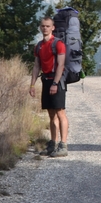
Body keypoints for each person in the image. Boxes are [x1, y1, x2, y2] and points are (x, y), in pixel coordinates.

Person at [30, 17, 68, 157]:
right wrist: (32, 84)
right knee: (51, 114)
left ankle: (63, 145)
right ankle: (53, 143)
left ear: (53, 28)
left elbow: (61, 65)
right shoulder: (39, 46)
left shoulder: (58, 44)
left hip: (56, 81)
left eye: (47, 26)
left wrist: (55, 83)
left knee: (60, 113)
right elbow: (36, 66)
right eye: (42, 26)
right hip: (46, 81)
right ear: (40, 28)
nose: (45, 28)